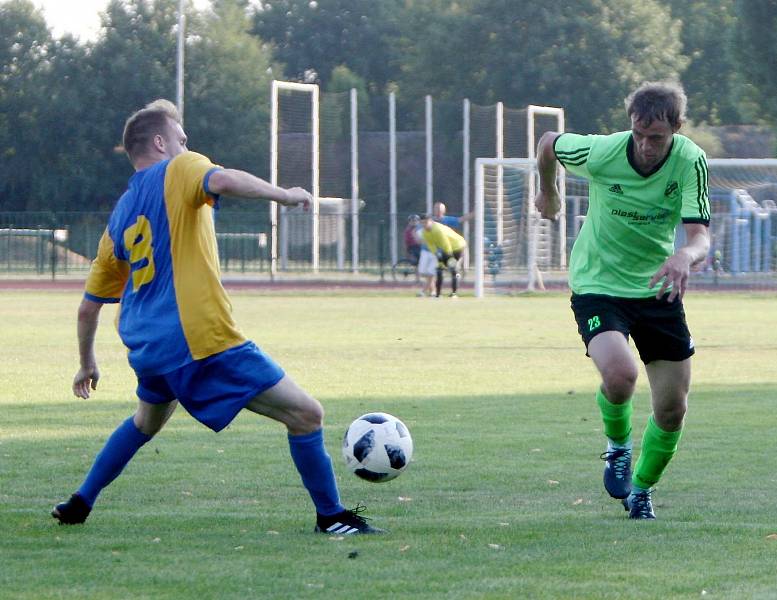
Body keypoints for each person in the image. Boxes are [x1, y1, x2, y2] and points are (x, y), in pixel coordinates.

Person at [52, 99, 382, 535]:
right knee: (307, 415)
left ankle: (80, 501)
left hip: (148, 348)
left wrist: (87, 362)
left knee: (144, 422)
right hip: (199, 340)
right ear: (160, 141)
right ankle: (332, 516)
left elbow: (88, 306)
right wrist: (284, 195)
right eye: (182, 139)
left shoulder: (118, 218)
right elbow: (223, 179)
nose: (188, 146)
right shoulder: (180, 167)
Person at [535, 82, 710, 519]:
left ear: (677, 129)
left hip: (657, 287)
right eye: (639, 134)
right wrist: (550, 192)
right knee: (620, 374)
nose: (647, 146)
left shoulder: (690, 160)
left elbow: (700, 237)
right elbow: (548, 143)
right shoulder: (602, 152)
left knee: (672, 409)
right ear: (630, 125)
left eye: (657, 138)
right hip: (599, 283)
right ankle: (617, 446)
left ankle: (642, 491)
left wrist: (684, 256)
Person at [420, 214, 466, 298]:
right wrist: (437, 254)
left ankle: (454, 294)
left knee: (453, 269)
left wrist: (449, 258)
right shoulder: (424, 232)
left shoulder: (437, 230)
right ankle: (438, 294)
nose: (424, 225)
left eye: (426, 222)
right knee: (439, 270)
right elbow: (431, 245)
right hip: (447, 248)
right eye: (422, 223)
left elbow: (446, 244)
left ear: (431, 221)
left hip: (457, 246)